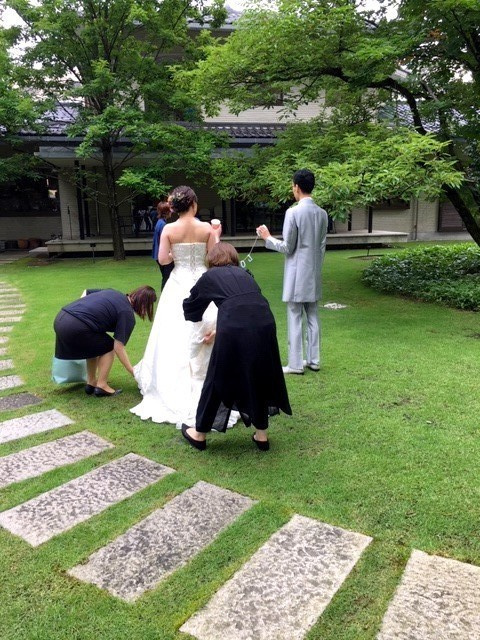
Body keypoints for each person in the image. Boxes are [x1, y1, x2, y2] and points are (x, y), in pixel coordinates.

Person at [181, 243, 292, 451]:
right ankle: (261, 435)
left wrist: (196, 318)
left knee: (217, 376)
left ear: (211, 259)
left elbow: (191, 307)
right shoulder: (245, 273)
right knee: (258, 373)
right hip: (264, 322)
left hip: (236, 325)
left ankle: (199, 433)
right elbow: (246, 303)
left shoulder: (210, 277)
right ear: (233, 257)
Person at [130, 185, 224, 426]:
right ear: (193, 204)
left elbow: (162, 259)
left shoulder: (169, 229)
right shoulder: (206, 228)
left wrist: (175, 255)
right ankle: (209, 380)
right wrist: (216, 235)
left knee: (173, 330)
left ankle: (172, 382)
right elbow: (214, 257)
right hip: (202, 280)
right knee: (206, 325)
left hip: (179, 280)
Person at [257, 169, 328, 375]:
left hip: (297, 273)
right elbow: (322, 246)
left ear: (296, 186)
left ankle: (296, 363)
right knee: (313, 315)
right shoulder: (322, 213)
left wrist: (267, 238)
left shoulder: (293, 212)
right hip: (314, 272)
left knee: (295, 316)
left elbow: (288, 247)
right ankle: (314, 359)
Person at [53, 286, 157, 397]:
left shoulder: (113, 292)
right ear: (144, 304)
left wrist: (81, 309)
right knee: (109, 346)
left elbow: (86, 291)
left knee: (95, 343)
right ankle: (102, 385)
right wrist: (133, 372)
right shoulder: (126, 313)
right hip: (76, 327)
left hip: (61, 319)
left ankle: (91, 383)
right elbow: (118, 347)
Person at [152, 201, 174, 290]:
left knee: (166, 278)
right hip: (162, 256)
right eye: (170, 209)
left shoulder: (160, 222)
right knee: (167, 278)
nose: (172, 211)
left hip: (157, 255)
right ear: (166, 212)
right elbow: (165, 243)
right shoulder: (163, 225)